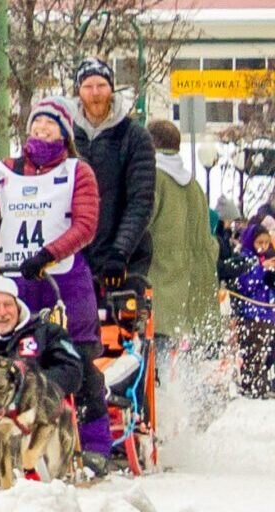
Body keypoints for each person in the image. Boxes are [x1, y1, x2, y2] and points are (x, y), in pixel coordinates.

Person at [0, 96, 109, 462]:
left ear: (64, 132)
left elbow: (86, 224)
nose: (41, 130)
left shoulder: (79, 172)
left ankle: (95, 446)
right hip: (14, 284)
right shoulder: (3, 171)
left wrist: (49, 254)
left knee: (76, 362)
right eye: (36, 124)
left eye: (50, 125)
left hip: (64, 280)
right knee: (4, 361)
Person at [71, 58, 155, 285]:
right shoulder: (66, 135)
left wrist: (120, 252)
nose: (95, 93)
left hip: (122, 258)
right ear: (79, 91)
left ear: (111, 88)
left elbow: (141, 200)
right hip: (73, 257)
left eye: (101, 85)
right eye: (88, 87)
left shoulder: (134, 136)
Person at [144, 120, 221, 348]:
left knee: (155, 366)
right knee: (183, 366)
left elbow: (142, 226)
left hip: (160, 284)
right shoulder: (194, 185)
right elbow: (208, 238)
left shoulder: (153, 179)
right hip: (196, 288)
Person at [230, 223, 275, 398]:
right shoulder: (245, 259)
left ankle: (261, 384)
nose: (263, 247)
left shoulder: (266, 258)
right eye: (259, 242)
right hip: (251, 315)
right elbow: (244, 284)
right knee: (254, 354)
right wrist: (261, 270)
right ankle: (252, 387)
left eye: (266, 243)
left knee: (266, 354)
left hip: (267, 314)